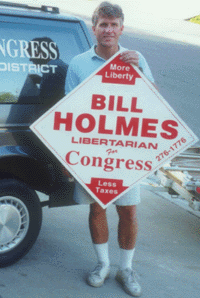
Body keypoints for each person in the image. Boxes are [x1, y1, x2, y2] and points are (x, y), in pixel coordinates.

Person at [65, 2, 155, 297]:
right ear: (94, 29)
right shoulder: (79, 63)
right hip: (93, 149)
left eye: (114, 25)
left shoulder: (135, 59)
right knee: (97, 206)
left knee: (128, 210)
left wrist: (138, 68)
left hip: (125, 151)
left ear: (122, 29)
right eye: (103, 24)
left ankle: (125, 269)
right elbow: (69, 111)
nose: (108, 30)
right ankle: (102, 265)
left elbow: (153, 104)